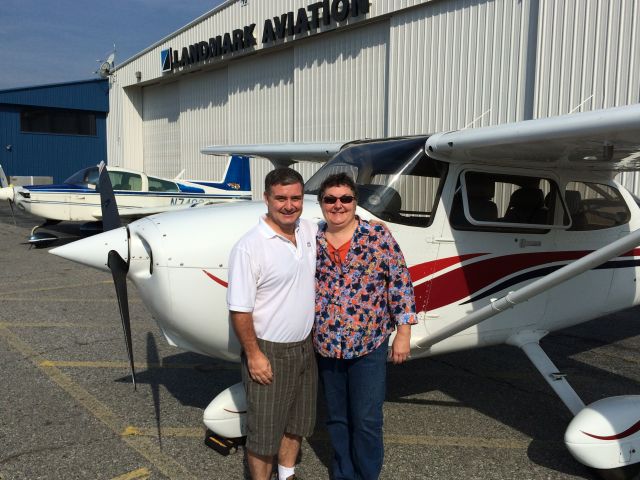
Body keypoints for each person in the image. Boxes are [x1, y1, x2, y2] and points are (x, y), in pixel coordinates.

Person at [314, 172, 417, 480]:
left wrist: (404, 332)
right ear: (321, 204)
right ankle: (343, 474)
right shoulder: (312, 238)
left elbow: (400, 283)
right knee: (337, 418)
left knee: (367, 419)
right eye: (330, 199)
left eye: (345, 198)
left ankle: (366, 475)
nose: (338, 205)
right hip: (327, 345)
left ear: (355, 202)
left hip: (368, 345)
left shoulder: (377, 236)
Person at [227, 168, 318, 480]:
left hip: (306, 348)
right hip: (270, 352)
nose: (289, 205)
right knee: (264, 435)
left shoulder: (307, 230)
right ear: (266, 199)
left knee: (298, 425)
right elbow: (239, 310)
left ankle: (287, 474)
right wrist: (254, 354)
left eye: (295, 198)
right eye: (281, 198)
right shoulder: (249, 246)